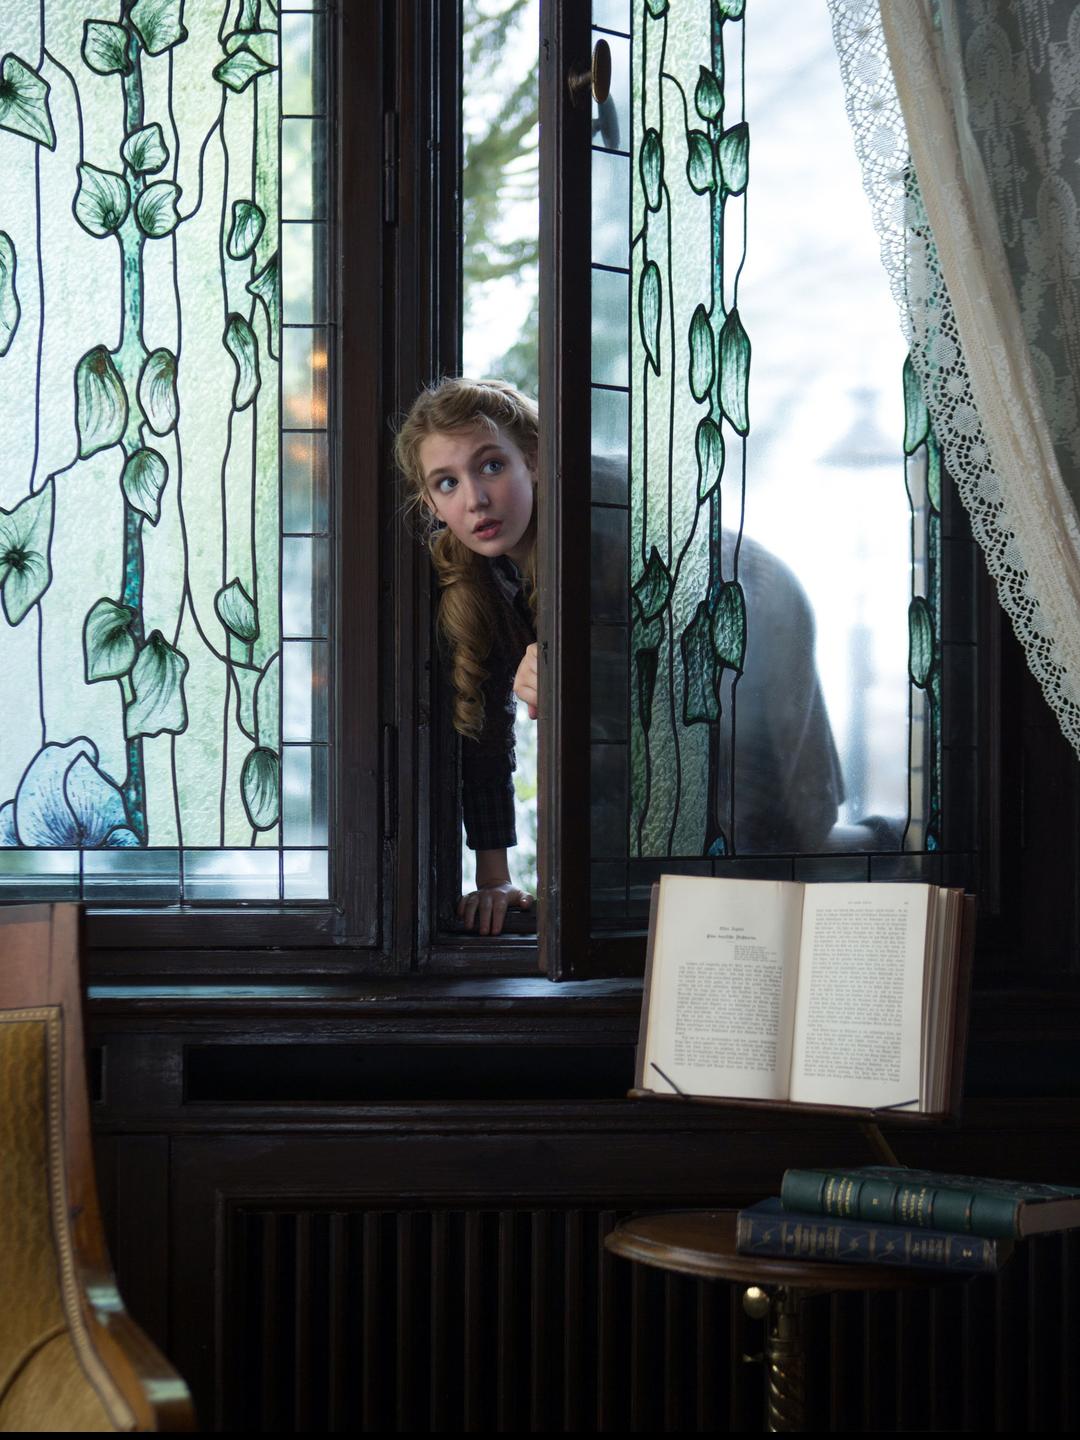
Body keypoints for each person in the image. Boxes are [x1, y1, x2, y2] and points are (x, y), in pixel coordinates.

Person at [395, 378, 539, 936]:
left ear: (532, 459)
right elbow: (483, 730)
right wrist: (494, 878)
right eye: (447, 483)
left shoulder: (592, 537)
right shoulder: (480, 580)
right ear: (431, 503)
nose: (475, 499)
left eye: (492, 466)